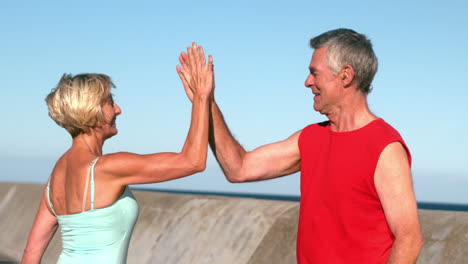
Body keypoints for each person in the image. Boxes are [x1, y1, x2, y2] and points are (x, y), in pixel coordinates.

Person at [179, 29, 423, 263]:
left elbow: (409, 239)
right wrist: (206, 101)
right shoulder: (310, 138)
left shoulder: (384, 147)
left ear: (345, 75)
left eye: (314, 73)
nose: (307, 82)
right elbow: (238, 168)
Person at [21, 43, 214, 264]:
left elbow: (30, 254)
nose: (118, 109)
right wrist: (201, 97)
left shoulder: (57, 175)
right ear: (91, 110)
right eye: (110, 102)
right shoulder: (108, 167)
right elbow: (193, 162)